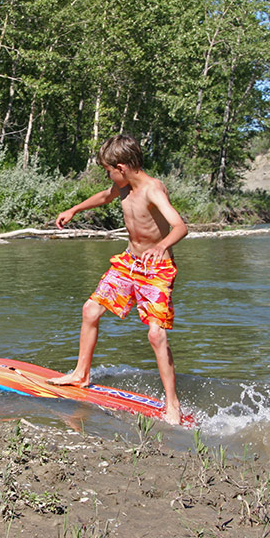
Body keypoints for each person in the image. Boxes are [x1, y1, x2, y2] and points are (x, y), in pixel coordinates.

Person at [47, 134, 188, 425]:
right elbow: (104, 197)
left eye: (108, 170)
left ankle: (172, 404)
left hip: (157, 268)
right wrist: (74, 209)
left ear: (121, 167)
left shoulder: (153, 190)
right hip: (128, 262)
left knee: (155, 335)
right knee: (90, 309)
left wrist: (162, 246)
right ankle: (81, 374)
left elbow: (180, 226)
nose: (107, 175)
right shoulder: (122, 187)